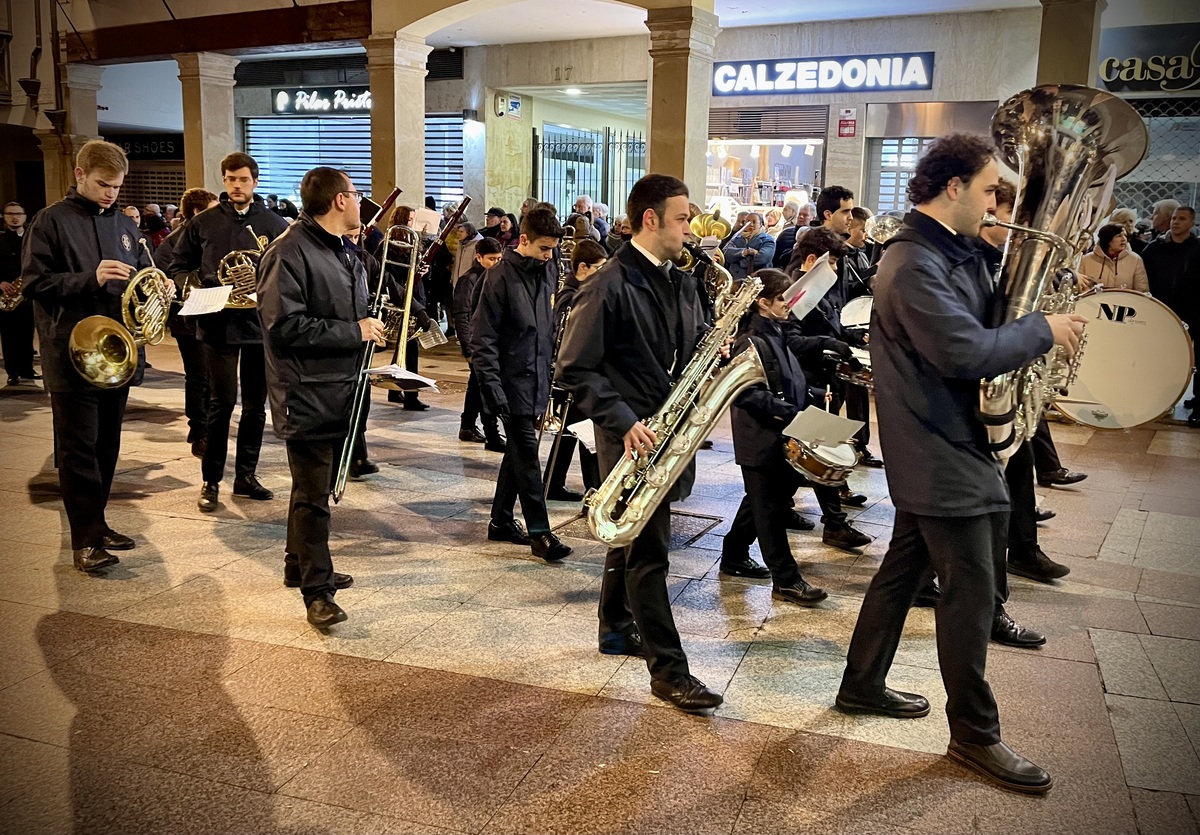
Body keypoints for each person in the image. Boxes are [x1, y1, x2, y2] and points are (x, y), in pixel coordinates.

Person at [836, 133, 1086, 795]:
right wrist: (1044, 330)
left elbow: (987, 312)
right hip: (939, 449)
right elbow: (964, 350)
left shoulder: (953, 249)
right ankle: (974, 735)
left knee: (902, 570)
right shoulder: (913, 262)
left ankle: (861, 682)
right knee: (973, 592)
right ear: (953, 188)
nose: (995, 203)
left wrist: (1030, 279)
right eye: (987, 190)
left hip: (944, 444)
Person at [557, 173, 724, 715]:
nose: (689, 228)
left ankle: (613, 628)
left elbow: (684, 345)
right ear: (649, 219)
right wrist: (623, 419)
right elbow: (574, 368)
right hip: (631, 435)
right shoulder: (607, 283)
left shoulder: (679, 279)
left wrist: (710, 351)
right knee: (650, 553)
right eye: (681, 218)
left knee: (630, 540)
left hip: (665, 427)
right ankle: (668, 671)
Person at [21, 140, 152, 572]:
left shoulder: (125, 226)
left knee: (107, 445)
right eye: (103, 184)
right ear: (79, 174)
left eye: (117, 186)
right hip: (70, 350)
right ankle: (85, 541)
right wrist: (88, 279)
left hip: (115, 353)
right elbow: (35, 283)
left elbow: (142, 280)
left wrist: (157, 288)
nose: (111, 193)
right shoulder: (50, 221)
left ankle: (99, 523)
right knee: (78, 449)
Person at [258, 166, 373, 628]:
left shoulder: (344, 251)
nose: (362, 201)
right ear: (339, 200)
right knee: (312, 494)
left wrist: (367, 329)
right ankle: (317, 593)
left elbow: (346, 313)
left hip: (340, 386)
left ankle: (297, 563)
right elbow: (282, 326)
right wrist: (353, 331)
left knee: (312, 487)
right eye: (357, 193)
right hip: (305, 391)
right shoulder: (289, 252)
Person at [722, 268, 871, 598]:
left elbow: (785, 375)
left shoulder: (775, 328)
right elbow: (746, 394)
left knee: (766, 500)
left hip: (784, 429)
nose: (790, 303)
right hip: (760, 438)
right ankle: (786, 580)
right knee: (769, 510)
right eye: (782, 298)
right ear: (763, 303)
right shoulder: (750, 340)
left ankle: (733, 554)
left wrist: (815, 397)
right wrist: (794, 412)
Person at [168, 151, 290, 513]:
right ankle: (211, 480)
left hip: (256, 326)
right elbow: (179, 264)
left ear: (255, 181)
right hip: (217, 323)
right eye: (231, 179)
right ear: (224, 181)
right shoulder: (203, 223)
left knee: (255, 406)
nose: (237, 185)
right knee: (221, 403)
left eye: (243, 180)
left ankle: (246, 476)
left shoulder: (273, 222)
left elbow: (285, 272)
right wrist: (190, 287)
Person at [470, 206, 573, 563]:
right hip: (510, 384)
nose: (550, 255)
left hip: (537, 380)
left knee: (517, 453)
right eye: (544, 248)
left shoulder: (549, 270)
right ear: (524, 240)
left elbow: (545, 330)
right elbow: (483, 339)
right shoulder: (498, 277)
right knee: (528, 456)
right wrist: (493, 389)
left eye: (553, 249)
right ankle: (541, 534)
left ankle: (500, 520)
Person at [787, 186, 882, 471]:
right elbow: (795, 318)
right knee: (813, 429)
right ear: (828, 214)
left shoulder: (841, 253)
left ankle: (836, 486)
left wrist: (848, 333)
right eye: (845, 211)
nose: (851, 218)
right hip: (811, 361)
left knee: (829, 423)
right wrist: (829, 341)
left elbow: (837, 303)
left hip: (831, 347)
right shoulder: (810, 253)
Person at [542, 238, 607, 502]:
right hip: (574, 374)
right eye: (598, 269)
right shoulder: (572, 296)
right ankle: (595, 490)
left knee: (570, 431)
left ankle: (552, 483)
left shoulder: (579, 291)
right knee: (586, 430)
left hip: (576, 373)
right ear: (582, 268)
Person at [156, 187, 219, 458]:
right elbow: (163, 274)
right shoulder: (176, 240)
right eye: (214, 211)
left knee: (209, 376)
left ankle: (205, 426)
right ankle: (199, 430)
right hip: (188, 317)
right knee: (199, 375)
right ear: (197, 212)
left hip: (211, 312)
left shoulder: (207, 235)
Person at [375, 204, 436, 411]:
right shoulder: (388, 244)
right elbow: (387, 276)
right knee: (410, 350)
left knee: (407, 347)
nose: (413, 224)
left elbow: (413, 273)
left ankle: (394, 390)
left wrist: (423, 270)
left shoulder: (412, 241)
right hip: (401, 301)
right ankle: (411, 396)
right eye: (410, 220)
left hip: (413, 297)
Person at [452, 236, 505, 450]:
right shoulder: (469, 280)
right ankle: (491, 433)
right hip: (476, 344)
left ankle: (467, 426)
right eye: (491, 259)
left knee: (476, 386)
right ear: (479, 257)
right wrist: (468, 349)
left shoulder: (496, 277)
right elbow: (462, 315)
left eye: (499, 258)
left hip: (489, 342)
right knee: (483, 388)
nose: (496, 263)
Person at [1, 201, 39, 386]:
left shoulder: (32, 239)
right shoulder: (0, 240)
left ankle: (27, 369)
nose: (14, 217)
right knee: (9, 335)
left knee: (27, 333)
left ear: (25, 217)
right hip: (7, 294)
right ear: (4, 217)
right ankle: (12, 371)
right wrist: (0, 282)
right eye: (10, 214)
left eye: (18, 213)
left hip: (28, 292)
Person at [1142, 206, 1198, 314]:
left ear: (1192, 223)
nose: (1176, 222)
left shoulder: (1196, 249)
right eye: (1174, 218)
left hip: (1189, 312)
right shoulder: (1154, 247)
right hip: (1156, 308)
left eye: (1182, 219)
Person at [1078, 223, 1149, 292]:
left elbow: (1142, 291)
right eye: (1119, 236)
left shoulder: (1135, 260)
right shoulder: (1087, 260)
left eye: (1125, 235)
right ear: (1107, 239)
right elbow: (1080, 287)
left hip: (1123, 303)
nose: (1123, 239)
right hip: (1092, 302)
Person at [722, 213, 775, 279]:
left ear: (760, 225)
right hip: (735, 279)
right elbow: (726, 253)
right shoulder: (736, 238)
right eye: (748, 221)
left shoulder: (768, 240)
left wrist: (737, 261)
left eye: (754, 222)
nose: (751, 224)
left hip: (758, 279)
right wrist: (746, 252)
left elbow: (762, 258)